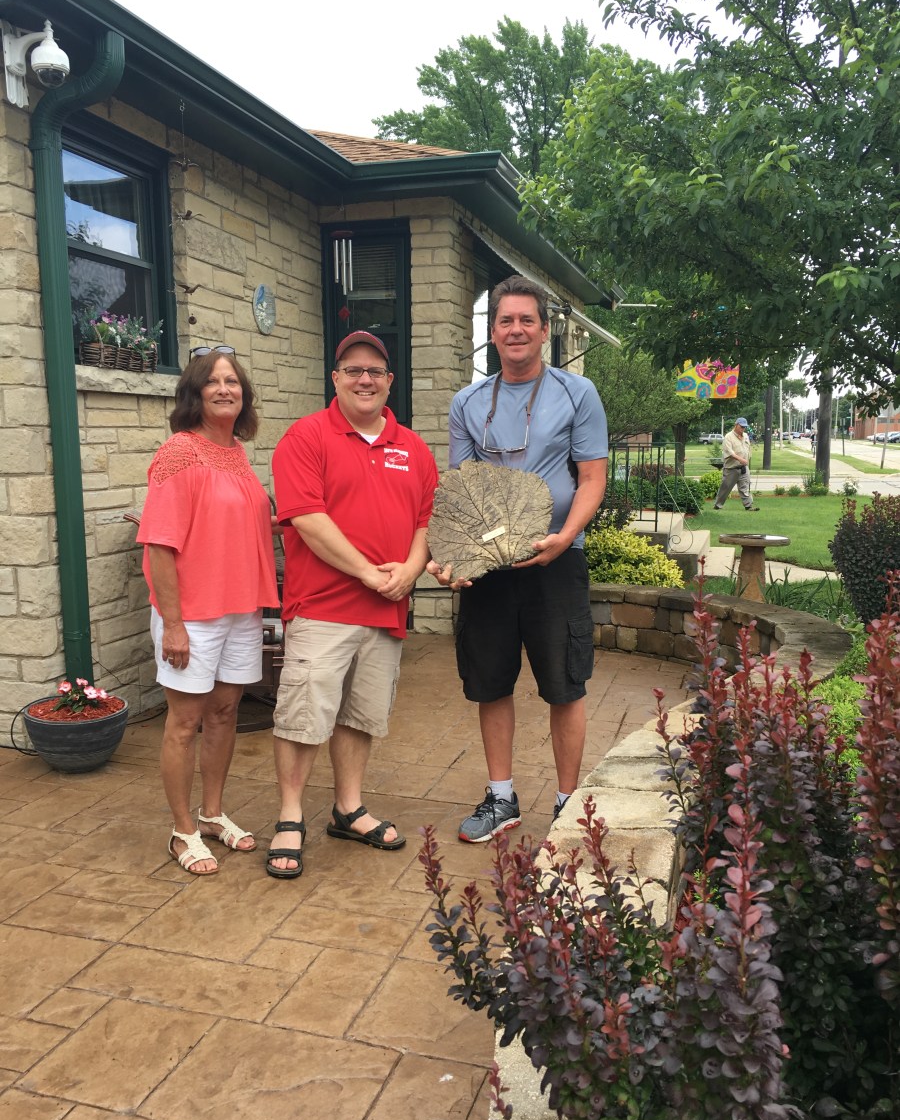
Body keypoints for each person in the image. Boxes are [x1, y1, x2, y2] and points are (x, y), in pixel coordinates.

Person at [427, 275, 608, 842]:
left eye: (527, 320)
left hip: (557, 559)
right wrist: (453, 558)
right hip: (490, 568)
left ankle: (567, 802)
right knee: (490, 682)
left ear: (545, 330)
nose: (516, 329)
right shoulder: (467, 403)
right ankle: (501, 797)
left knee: (565, 684)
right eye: (505, 320)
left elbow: (592, 478)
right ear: (492, 332)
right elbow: (462, 490)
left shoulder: (578, 393)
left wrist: (566, 535)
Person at [266, 331, 439, 878]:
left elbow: (427, 522)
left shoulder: (413, 449)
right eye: (354, 370)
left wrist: (410, 571)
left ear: (390, 382)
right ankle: (290, 816)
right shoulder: (306, 437)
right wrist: (368, 572)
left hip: (385, 611)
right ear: (336, 378)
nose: (365, 379)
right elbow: (307, 519)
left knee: (360, 715)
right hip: (322, 606)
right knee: (303, 716)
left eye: (375, 371)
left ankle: (348, 808)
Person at [137, 346, 279, 875]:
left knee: (224, 713)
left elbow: (232, 523)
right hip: (192, 614)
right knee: (184, 721)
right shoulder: (179, 452)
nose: (225, 389)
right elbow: (159, 543)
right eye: (213, 382)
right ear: (194, 394)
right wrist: (173, 623)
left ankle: (213, 814)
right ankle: (183, 831)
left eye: (233, 382)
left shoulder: (236, 452)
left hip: (240, 607)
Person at [712, 417, 759, 511]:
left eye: (744, 427)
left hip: (743, 467)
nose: (743, 429)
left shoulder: (745, 436)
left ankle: (748, 506)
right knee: (725, 488)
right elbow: (729, 452)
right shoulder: (728, 437)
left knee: (745, 487)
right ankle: (718, 505)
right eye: (741, 426)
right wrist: (741, 459)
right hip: (731, 468)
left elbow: (748, 449)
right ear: (736, 425)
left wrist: (747, 459)